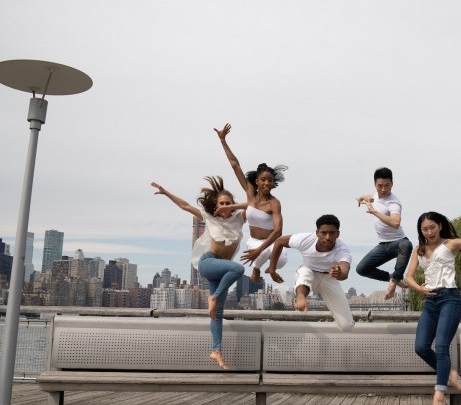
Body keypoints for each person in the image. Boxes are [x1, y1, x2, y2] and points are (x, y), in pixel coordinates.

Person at [151, 177, 246, 370]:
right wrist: (166, 192)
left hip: (222, 271)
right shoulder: (210, 218)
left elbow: (257, 205)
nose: (226, 206)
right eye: (222, 203)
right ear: (215, 205)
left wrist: (237, 206)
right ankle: (215, 298)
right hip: (209, 263)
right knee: (239, 269)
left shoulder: (240, 218)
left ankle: (216, 351)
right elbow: (185, 205)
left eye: (229, 203)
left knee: (217, 315)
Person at [405, 211, 461, 405]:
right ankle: (450, 373)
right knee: (421, 347)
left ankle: (439, 394)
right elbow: (409, 276)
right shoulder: (419, 249)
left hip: (450, 298)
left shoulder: (450, 244)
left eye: (432, 227)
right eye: (424, 229)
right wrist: (419, 288)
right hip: (430, 301)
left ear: (440, 226)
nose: (429, 232)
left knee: (442, 346)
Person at [214, 123, 289, 284]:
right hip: (254, 241)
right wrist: (223, 140)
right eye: (263, 180)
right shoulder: (250, 194)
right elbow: (235, 165)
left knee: (281, 260)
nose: (267, 183)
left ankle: (268, 267)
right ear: (257, 181)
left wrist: (260, 252)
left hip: (271, 242)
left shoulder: (274, 203)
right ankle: (258, 268)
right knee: (260, 253)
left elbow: (278, 231)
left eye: (270, 180)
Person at [268, 214, 355, 332]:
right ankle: (300, 296)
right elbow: (279, 241)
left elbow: (345, 270)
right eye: (324, 233)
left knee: (347, 326)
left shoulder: (342, 249)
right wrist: (272, 269)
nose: (328, 237)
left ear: (338, 234)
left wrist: (340, 274)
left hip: (329, 278)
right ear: (317, 233)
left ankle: (346, 322)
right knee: (305, 272)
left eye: (332, 233)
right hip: (309, 271)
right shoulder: (305, 239)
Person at [355, 167, 413, 300]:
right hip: (383, 245)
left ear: (392, 184)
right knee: (361, 269)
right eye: (379, 186)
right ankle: (391, 277)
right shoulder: (375, 196)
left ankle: (394, 282)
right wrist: (361, 198)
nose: (383, 189)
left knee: (407, 244)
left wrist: (374, 212)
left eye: (387, 185)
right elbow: (366, 196)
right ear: (375, 184)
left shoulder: (394, 202)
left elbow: (395, 222)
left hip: (398, 243)